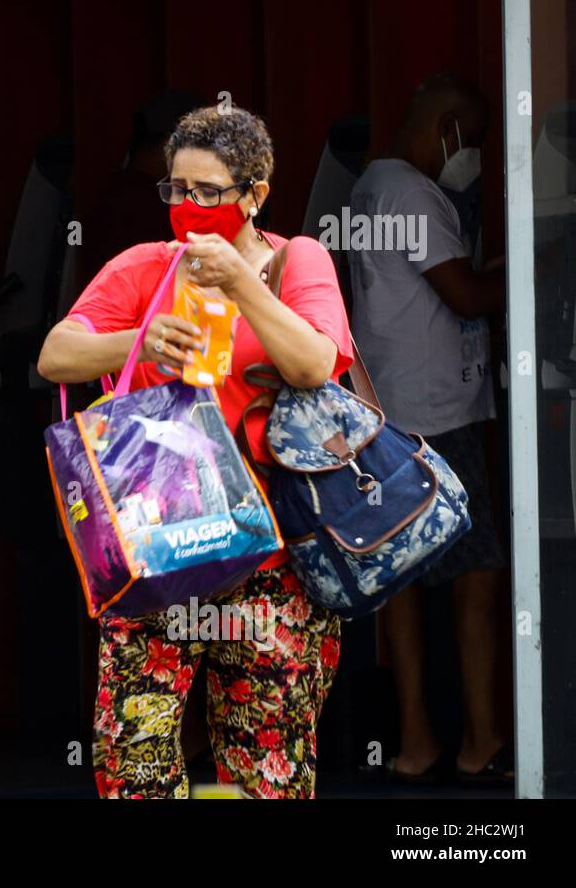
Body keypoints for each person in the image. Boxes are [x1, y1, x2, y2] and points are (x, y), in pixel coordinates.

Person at [37, 105, 352, 798]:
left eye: (208, 192)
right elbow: (55, 355)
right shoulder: (144, 267)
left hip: (273, 563)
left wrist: (240, 281)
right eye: (176, 189)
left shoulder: (298, 262)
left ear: (255, 195)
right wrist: (136, 341)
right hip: (157, 558)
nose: (187, 206)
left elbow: (314, 364)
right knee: (133, 765)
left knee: (268, 773)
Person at [347, 73, 511, 784]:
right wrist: (537, 268)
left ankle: (417, 743)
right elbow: (465, 294)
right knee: (476, 577)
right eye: (470, 140)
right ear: (445, 126)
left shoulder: (370, 188)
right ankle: (481, 741)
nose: (469, 154)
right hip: (439, 420)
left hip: (392, 415)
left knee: (405, 586)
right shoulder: (414, 193)